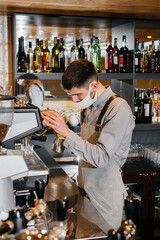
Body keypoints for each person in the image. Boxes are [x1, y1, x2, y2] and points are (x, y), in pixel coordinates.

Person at [42, 60, 135, 229]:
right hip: (85, 196)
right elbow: (85, 147)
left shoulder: (118, 109)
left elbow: (101, 157)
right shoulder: (88, 106)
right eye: (71, 95)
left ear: (93, 86)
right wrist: (60, 134)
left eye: (78, 95)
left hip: (105, 203)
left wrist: (67, 133)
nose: (74, 100)